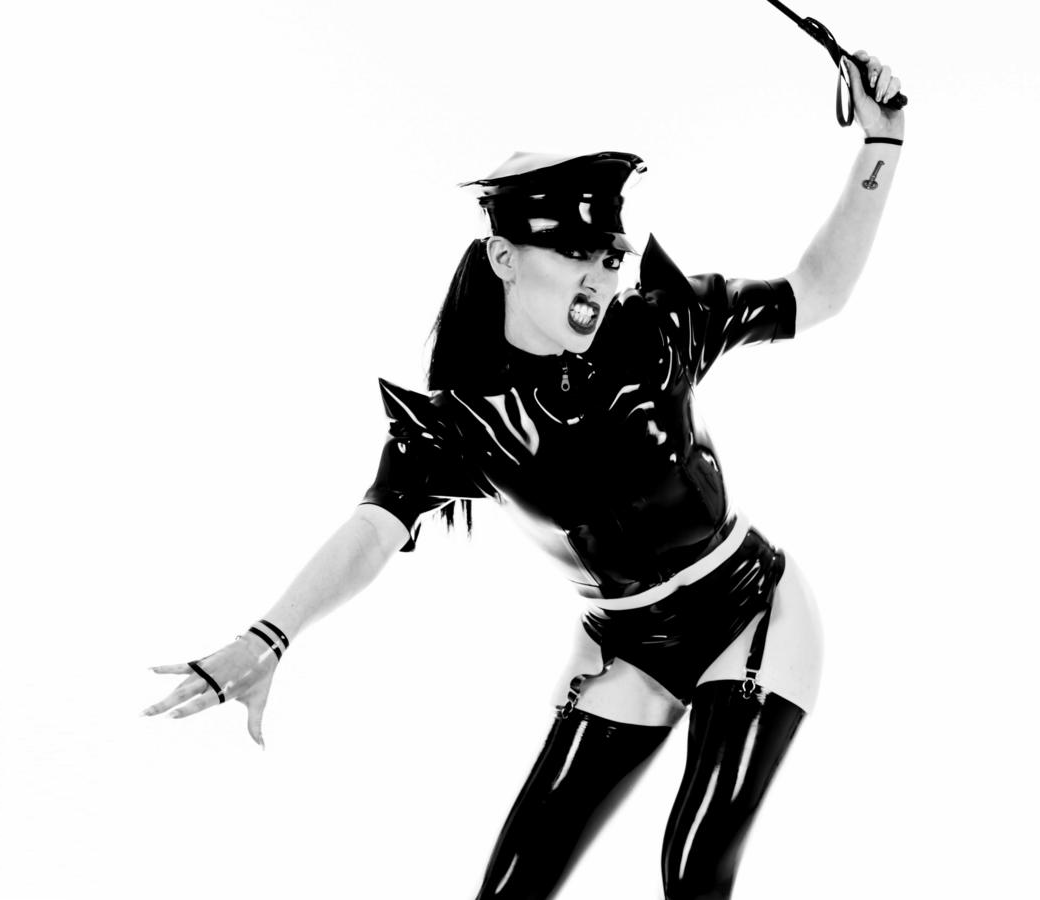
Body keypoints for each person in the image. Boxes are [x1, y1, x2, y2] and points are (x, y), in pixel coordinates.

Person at [144, 50, 904, 900]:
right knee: (513, 886)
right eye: (574, 252)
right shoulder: (465, 423)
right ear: (504, 258)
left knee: (694, 870)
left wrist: (881, 146)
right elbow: (371, 532)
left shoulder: (662, 328)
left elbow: (817, 291)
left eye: (610, 256)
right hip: (628, 642)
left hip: (749, 609)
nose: (599, 274)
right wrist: (267, 638)